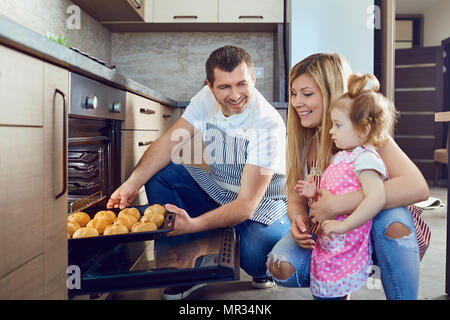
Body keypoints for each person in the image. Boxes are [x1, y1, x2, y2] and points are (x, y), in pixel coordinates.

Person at [107, 45, 291, 300]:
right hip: (216, 190)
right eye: (224, 87)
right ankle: (183, 271)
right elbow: (169, 142)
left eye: (242, 84)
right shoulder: (205, 99)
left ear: (254, 79)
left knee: (258, 253)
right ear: (210, 85)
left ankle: (215, 239)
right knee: (162, 174)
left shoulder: (267, 123)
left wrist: (194, 225)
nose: (235, 95)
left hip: (261, 205)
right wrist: (131, 184)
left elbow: (247, 205)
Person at [266, 53, 430, 300]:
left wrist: (340, 204)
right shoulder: (300, 142)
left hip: (374, 226)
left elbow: (417, 187)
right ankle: (337, 283)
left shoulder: (367, 136)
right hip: (332, 232)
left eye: (307, 94)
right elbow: (295, 196)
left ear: (330, 92)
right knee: (282, 267)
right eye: (293, 93)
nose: (297, 101)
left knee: (393, 221)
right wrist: (298, 218)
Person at [296, 73, 395, 300]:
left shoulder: (367, 159)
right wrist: (314, 192)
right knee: (326, 291)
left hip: (345, 239)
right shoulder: (343, 157)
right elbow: (338, 190)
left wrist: (345, 225)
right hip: (330, 240)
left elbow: (375, 198)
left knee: (334, 290)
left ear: (363, 129)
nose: (331, 131)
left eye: (338, 125)